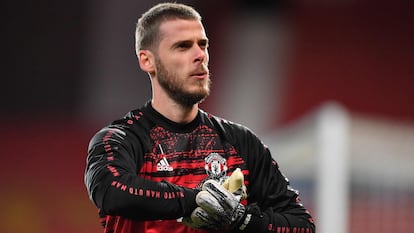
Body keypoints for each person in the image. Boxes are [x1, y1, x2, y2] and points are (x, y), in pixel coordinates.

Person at [84, 2, 315, 233]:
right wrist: (199, 200)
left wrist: (240, 219)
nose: (199, 55)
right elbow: (111, 190)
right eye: (183, 46)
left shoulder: (241, 142)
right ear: (147, 60)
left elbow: (302, 226)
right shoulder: (121, 139)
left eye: (203, 44)